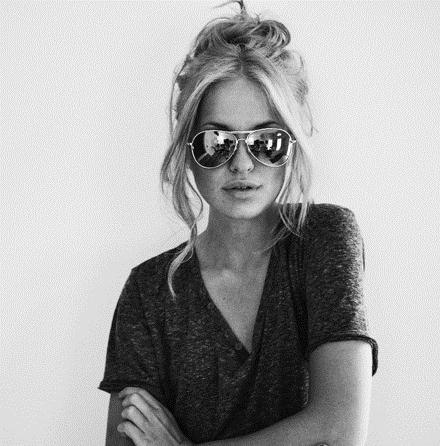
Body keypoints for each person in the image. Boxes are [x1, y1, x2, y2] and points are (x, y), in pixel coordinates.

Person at [98, 2, 378, 445]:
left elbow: (341, 429)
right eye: (217, 141)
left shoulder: (324, 238)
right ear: (188, 150)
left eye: (267, 141)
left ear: (293, 143)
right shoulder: (149, 293)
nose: (243, 164)